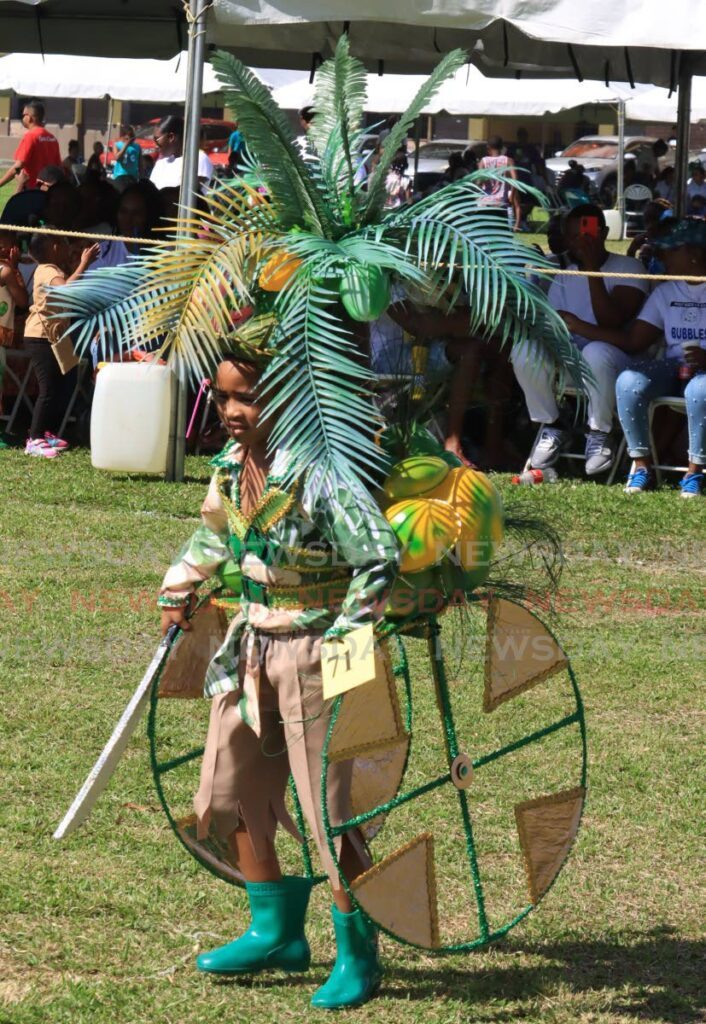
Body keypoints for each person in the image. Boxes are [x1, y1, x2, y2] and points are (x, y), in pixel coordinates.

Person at [158, 353, 398, 1007]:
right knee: (227, 786)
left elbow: (378, 555)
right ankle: (275, 931)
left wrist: (350, 637)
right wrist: (179, 586)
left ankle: (358, 949)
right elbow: (217, 539)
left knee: (331, 808)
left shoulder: (321, 469)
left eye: (249, 398)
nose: (233, 413)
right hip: (255, 643)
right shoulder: (232, 468)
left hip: (326, 648)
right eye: (225, 398)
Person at [566, 219, 706, 497]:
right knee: (629, 381)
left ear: (694, 253)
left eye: (668, 251)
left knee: (700, 389)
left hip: (703, 373)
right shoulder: (666, 290)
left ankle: (695, 472)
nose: (660, 257)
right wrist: (579, 326)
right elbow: (634, 342)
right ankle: (641, 467)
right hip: (675, 367)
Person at [512, 204, 650, 475]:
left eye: (586, 234)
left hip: (615, 359)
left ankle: (599, 431)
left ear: (604, 233)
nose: (579, 242)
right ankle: (552, 424)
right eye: (573, 236)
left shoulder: (629, 267)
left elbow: (611, 320)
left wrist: (590, 268)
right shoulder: (560, 269)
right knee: (524, 349)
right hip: (570, 354)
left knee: (596, 352)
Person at [23, 231, 99, 457]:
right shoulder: (47, 269)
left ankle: (46, 432)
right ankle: (34, 439)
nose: (69, 248)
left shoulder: (55, 270)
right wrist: (84, 264)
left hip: (55, 337)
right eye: (65, 243)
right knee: (47, 389)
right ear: (54, 247)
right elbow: (65, 289)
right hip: (40, 336)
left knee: (60, 385)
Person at [0, 99, 61, 191]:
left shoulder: (30, 136)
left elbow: (18, 167)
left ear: (29, 118)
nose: (22, 117)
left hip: (32, 191)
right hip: (49, 193)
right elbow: (58, 167)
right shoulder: (52, 138)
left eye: (24, 115)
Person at [150, 114, 213, 193]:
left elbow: (190, 193)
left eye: (156, 139)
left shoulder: (198, 158)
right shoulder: (161, 163)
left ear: (171, 137)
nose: (155, 145)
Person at [477, 136, 521, 231]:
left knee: (483, 237)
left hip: (484, 204)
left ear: (488, 147)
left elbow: (479, 181)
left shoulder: (483, 161)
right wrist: (512, 195)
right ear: (502, 147)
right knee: (503, 237)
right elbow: (515, 179)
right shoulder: (508, 161)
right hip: (501, 204)